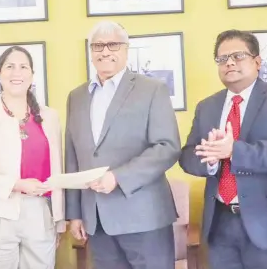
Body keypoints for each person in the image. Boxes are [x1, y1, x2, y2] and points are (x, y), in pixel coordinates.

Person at [179, 29, 267, 269]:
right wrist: (211, 159)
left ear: (257, 62)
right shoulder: (207, 106)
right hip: (220, 221)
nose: (229, 62)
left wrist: (233, 151)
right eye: (222, 59)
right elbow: (187, 155)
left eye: (238, 56)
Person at [65, 20, 181, 269]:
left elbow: (167, 146)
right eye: (98, 46)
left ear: (126, 50)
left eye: (113, 45)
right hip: (96, 219)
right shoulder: (76, 97)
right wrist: (74, 213)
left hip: (144, 216)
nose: (105, 51)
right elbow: (73, 157)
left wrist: (118, 177)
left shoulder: (152, 89)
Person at [0, 46, 66, 269]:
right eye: (9, 66)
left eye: (23, 67)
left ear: (32, 75)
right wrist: (17, 185)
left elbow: (57, 170)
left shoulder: (50, 117)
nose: (16, 72)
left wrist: (58, 221)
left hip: (39, 215)